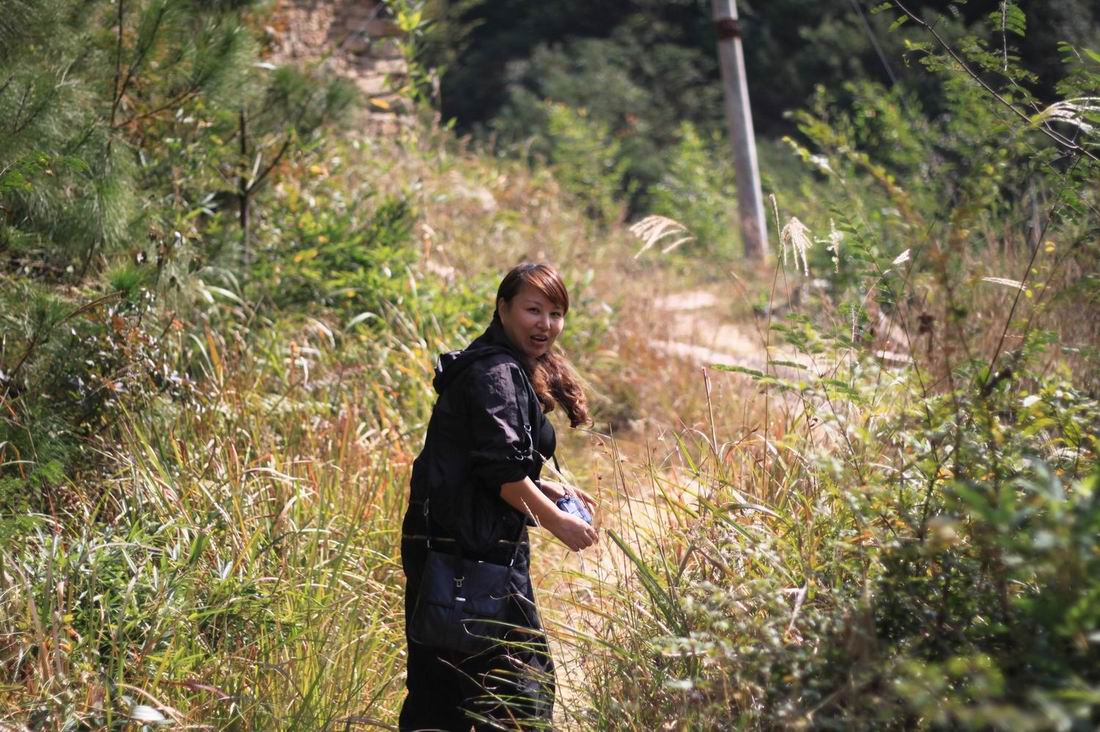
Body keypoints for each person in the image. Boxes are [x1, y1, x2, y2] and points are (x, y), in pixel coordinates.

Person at [399, 262, 599, 731]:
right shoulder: (495, 373)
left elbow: (480, 467)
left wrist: (545, 487)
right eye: (533, 310)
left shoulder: (495, 365)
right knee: (516, 694)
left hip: (450, 553)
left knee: (440, 693)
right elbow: (503, 474)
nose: (545, 324)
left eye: (555, 313)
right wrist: (559, 522)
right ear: (503, 308)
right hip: (470, 561)